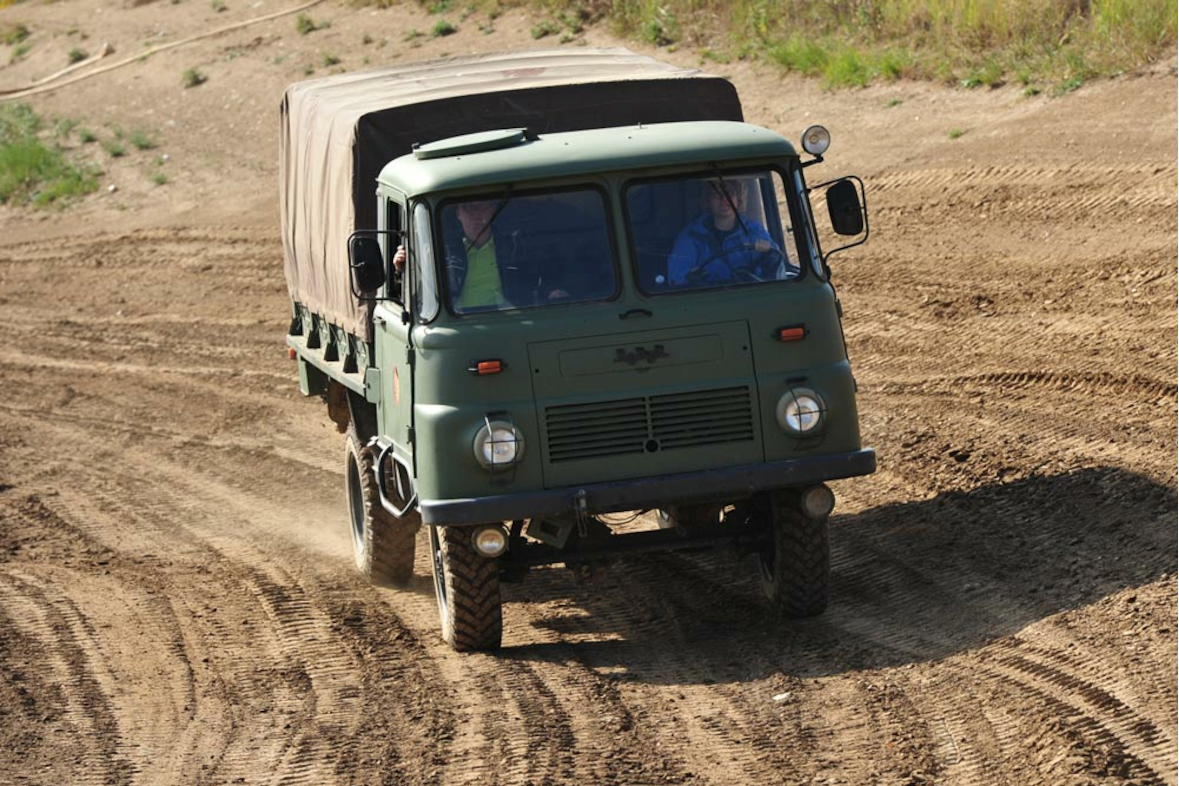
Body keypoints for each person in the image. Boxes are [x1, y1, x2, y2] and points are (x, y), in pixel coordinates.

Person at [667, 179, 784, 287]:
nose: (724, 199)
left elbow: (776, 265)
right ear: (708, 200)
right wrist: (693, 278)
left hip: (749, 294)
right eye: (716, 194)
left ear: (738, 199)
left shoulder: (754, 230)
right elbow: (677, 277)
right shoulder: (691, 236)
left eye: (729, 193)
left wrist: (768, 253)